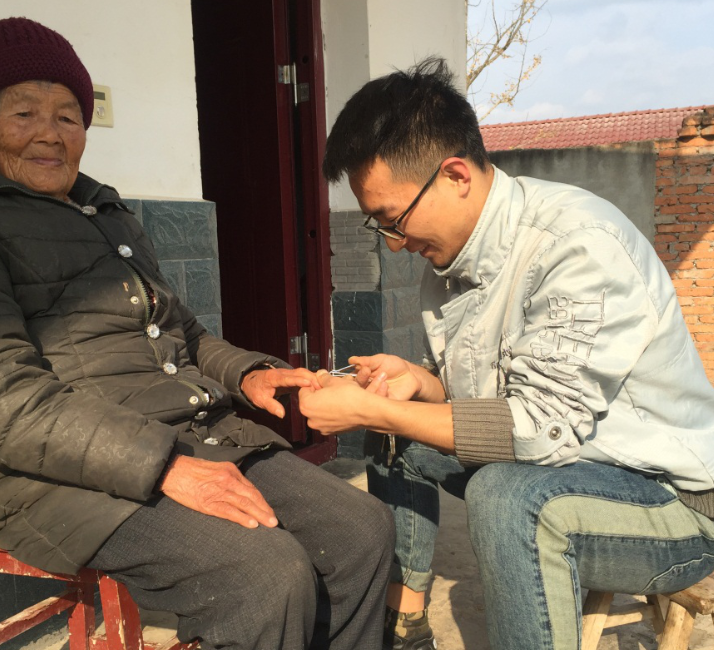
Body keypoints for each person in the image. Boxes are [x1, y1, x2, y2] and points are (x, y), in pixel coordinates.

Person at [0, 17, 395, 650]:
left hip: (187, 435)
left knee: (362, 528)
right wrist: (162, 465)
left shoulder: (105, 211)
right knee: (264, 575)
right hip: (51, 475)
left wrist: (247, 372)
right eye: (25, 114)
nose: (50, 134)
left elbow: (182, 333)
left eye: (68, 117)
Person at [298, 57, 714, 650]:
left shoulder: (577, 247)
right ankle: (405, 626)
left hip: (670, 502)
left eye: (393, 221)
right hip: (571, 464)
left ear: (455, 175)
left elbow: (537, 428)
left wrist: (372, 410)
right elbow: (489, 399)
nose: (394, 244)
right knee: (397, 430)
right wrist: (417, 383)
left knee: (506, 500)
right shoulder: (449, 262)